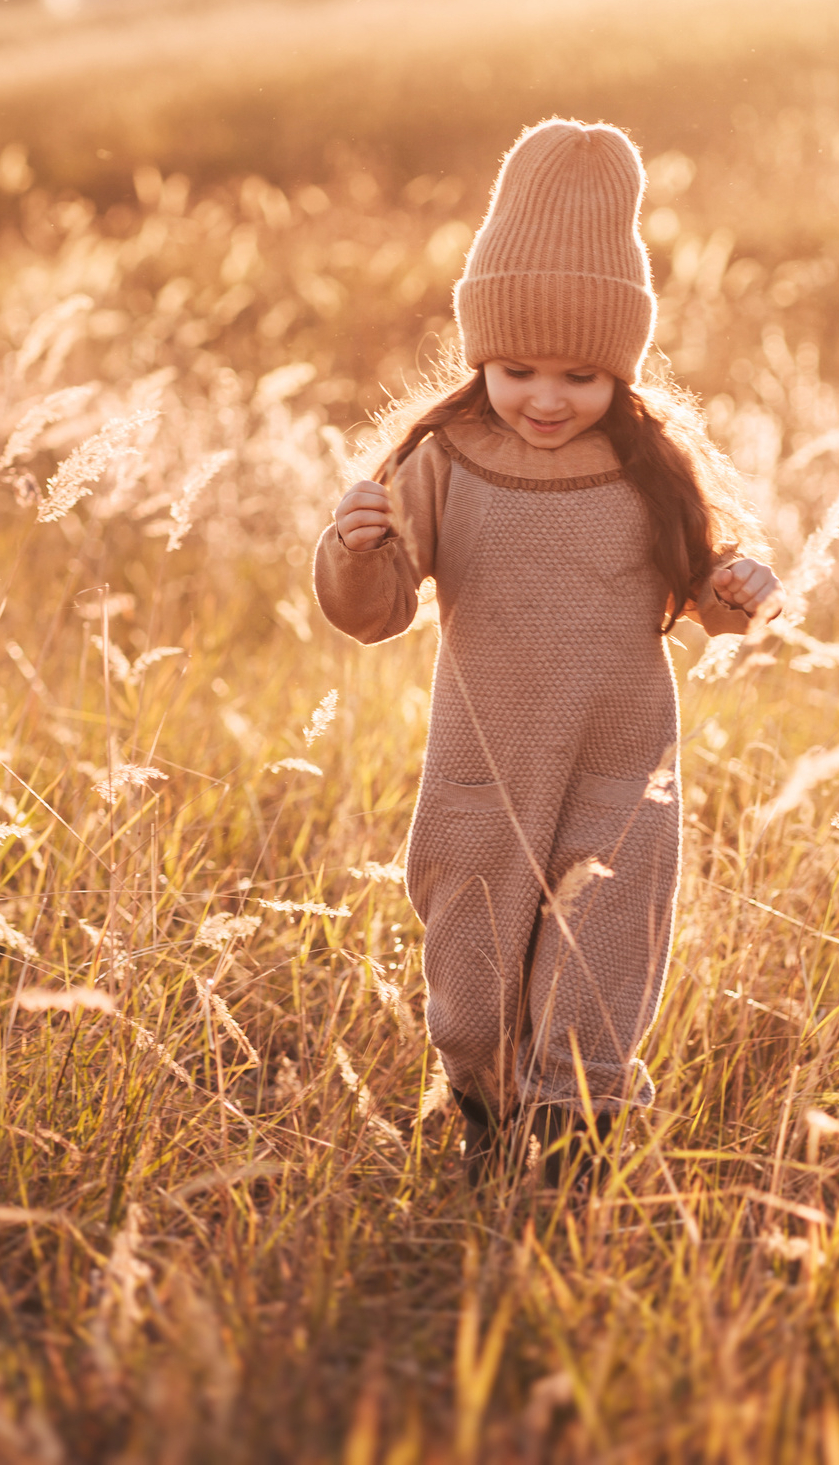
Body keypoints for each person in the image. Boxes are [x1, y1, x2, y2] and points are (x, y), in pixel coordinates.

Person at [312, 119, 779, 1188]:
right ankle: (482, 1116)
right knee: (471, 973)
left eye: (579, 372)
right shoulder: (442, 460)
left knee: (601, 957)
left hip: (621, 766)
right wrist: (352, 549)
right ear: (481, 354)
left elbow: (714, 587)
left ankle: (572, 1149)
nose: (546, 396)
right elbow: (374, 613)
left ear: (621, 367)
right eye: (517, 367)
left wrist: (744, 586)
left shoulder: (646, 466)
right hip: (482, 764)